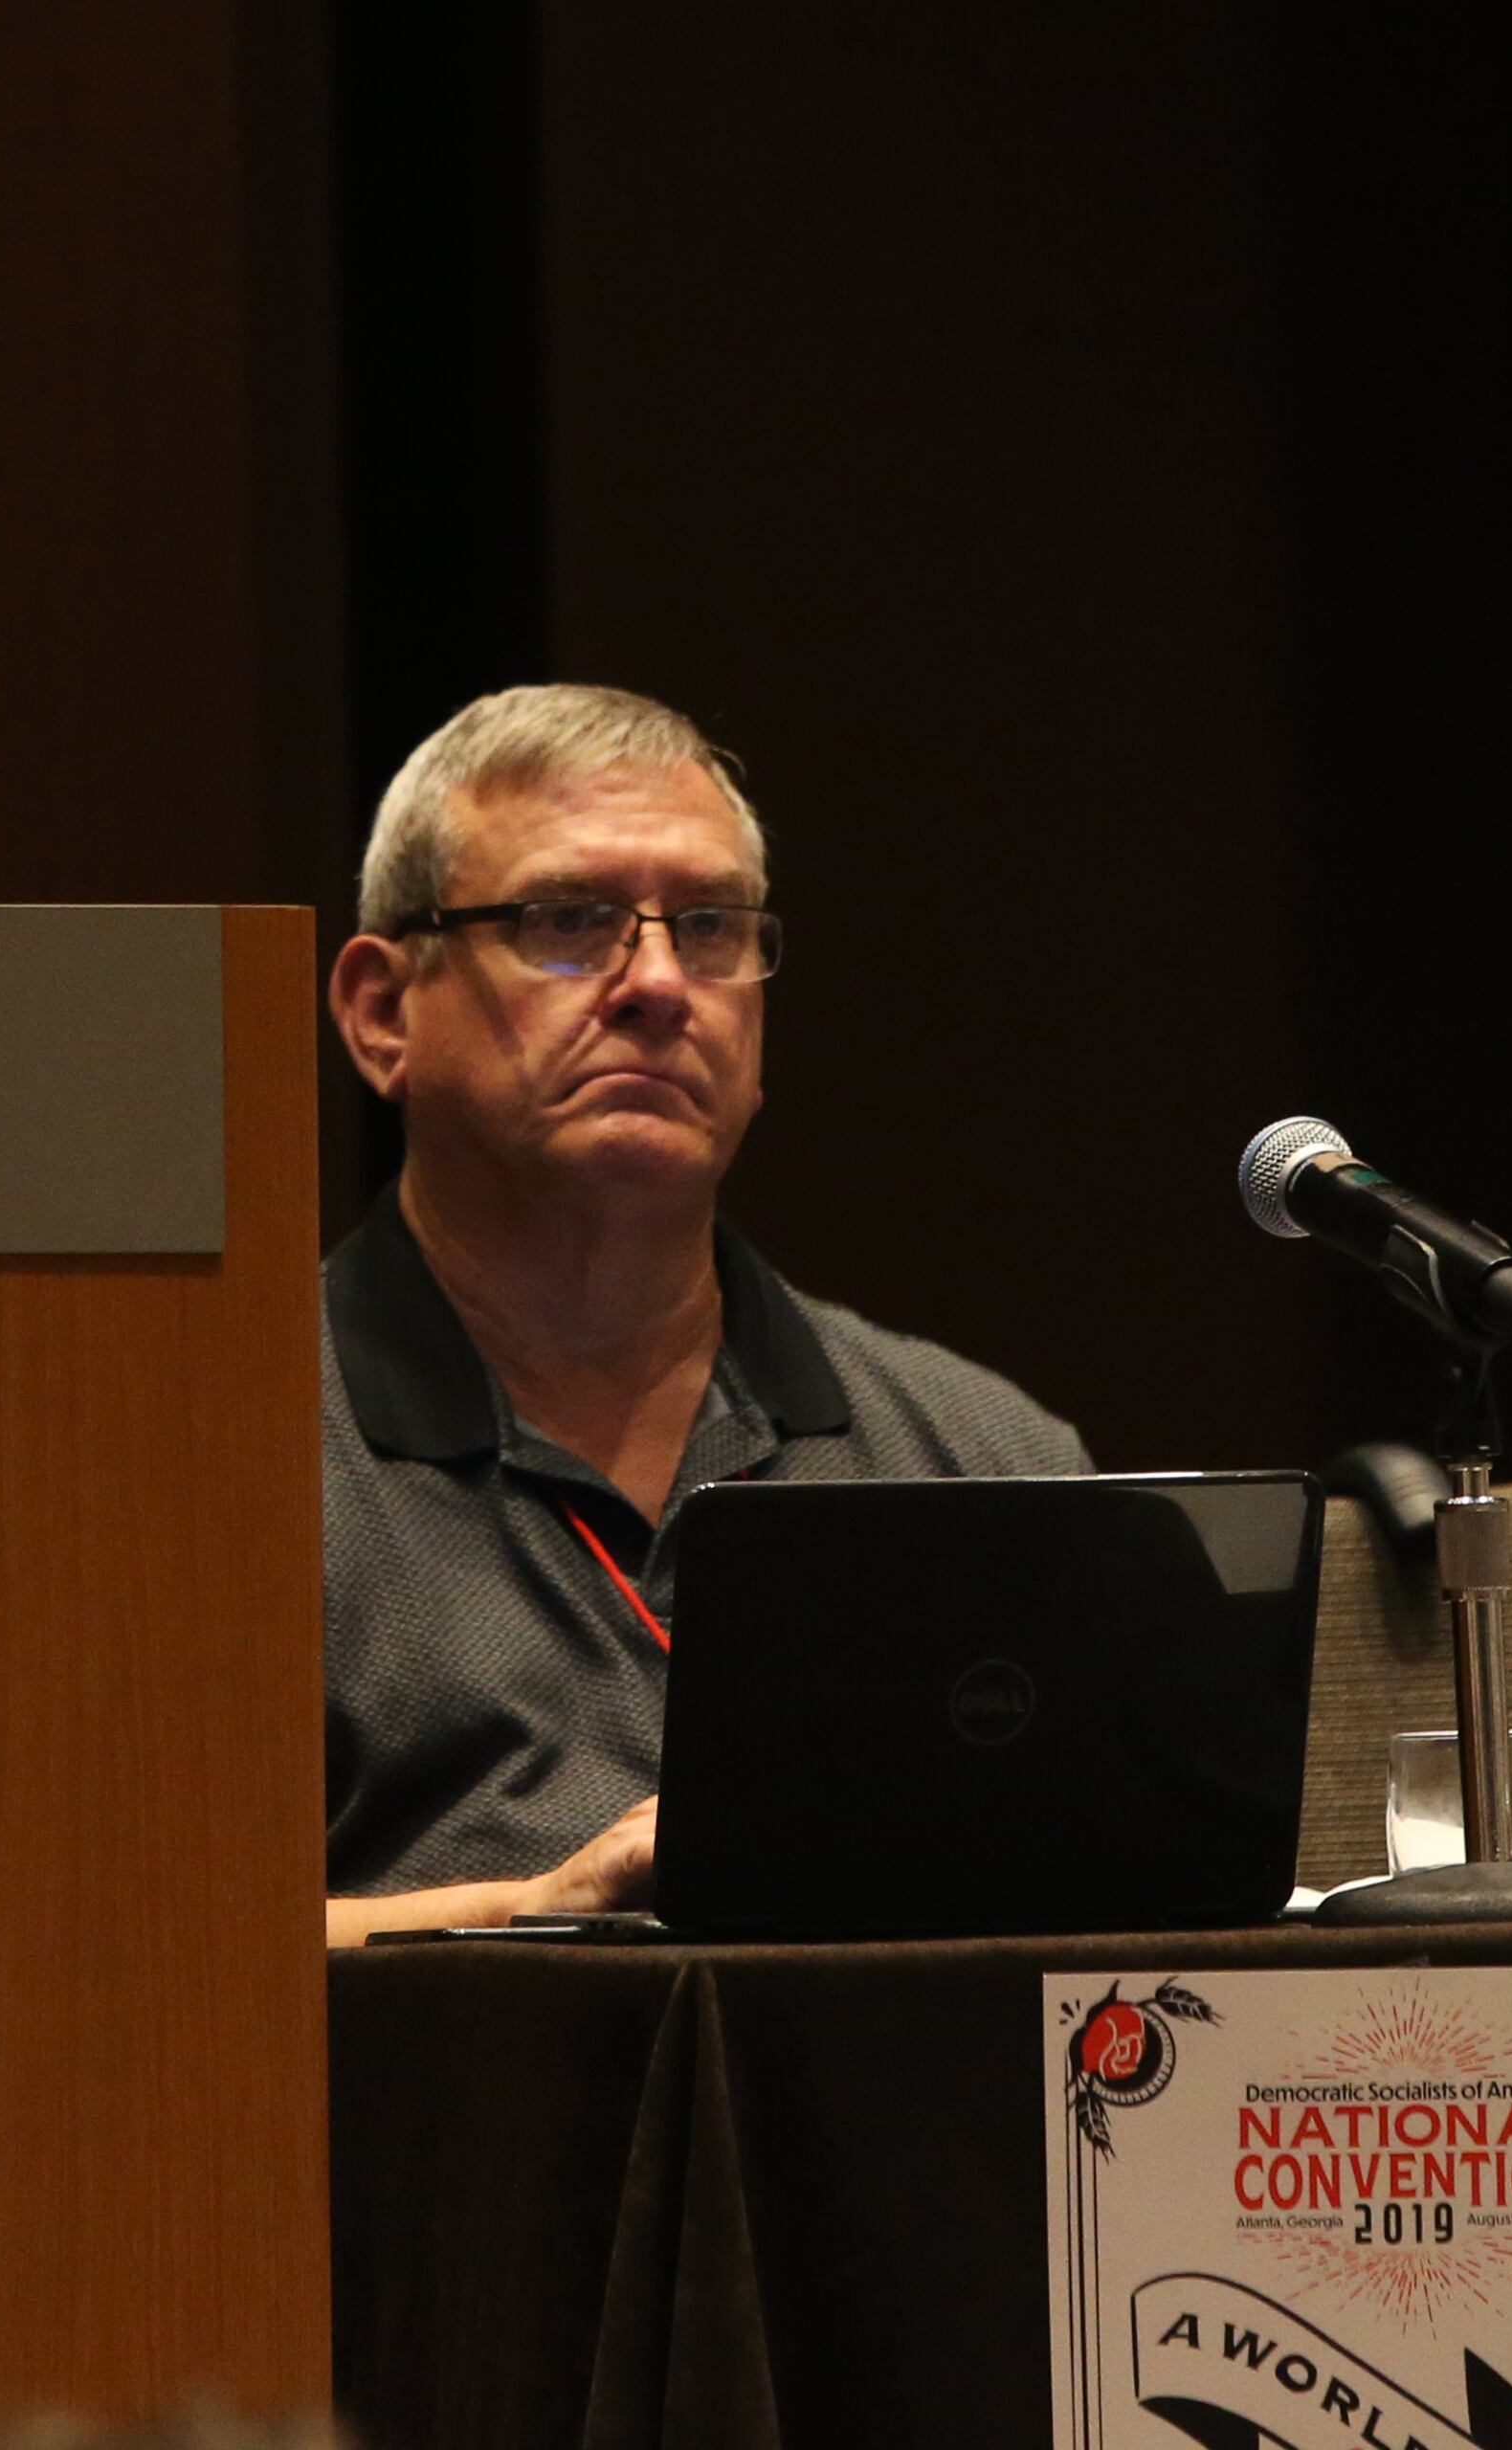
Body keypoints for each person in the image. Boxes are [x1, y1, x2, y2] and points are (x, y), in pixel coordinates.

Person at [321, 685, 1086, 1946]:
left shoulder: (988, 1462)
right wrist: (532, 1917)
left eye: (712, 927)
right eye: (568, 922)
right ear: (383, 1012)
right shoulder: (215, 1457)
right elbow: (104, 1947)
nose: (662, 985)